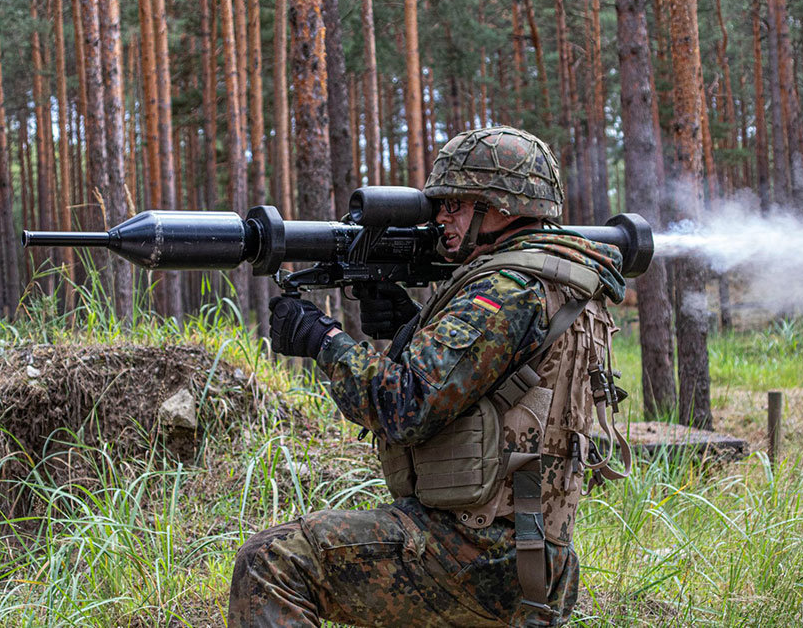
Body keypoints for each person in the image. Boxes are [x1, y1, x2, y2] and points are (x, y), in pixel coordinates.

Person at [228, 126, 629, 627]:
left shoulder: (505, 289)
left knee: (271, 561)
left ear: (502, 208)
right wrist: (407, 325)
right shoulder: (552, 275)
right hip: (529, 554)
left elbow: (405, 407)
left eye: (455, 205)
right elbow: (494, 383)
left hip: (478, 558)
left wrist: (323, 341)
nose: (440, 217)